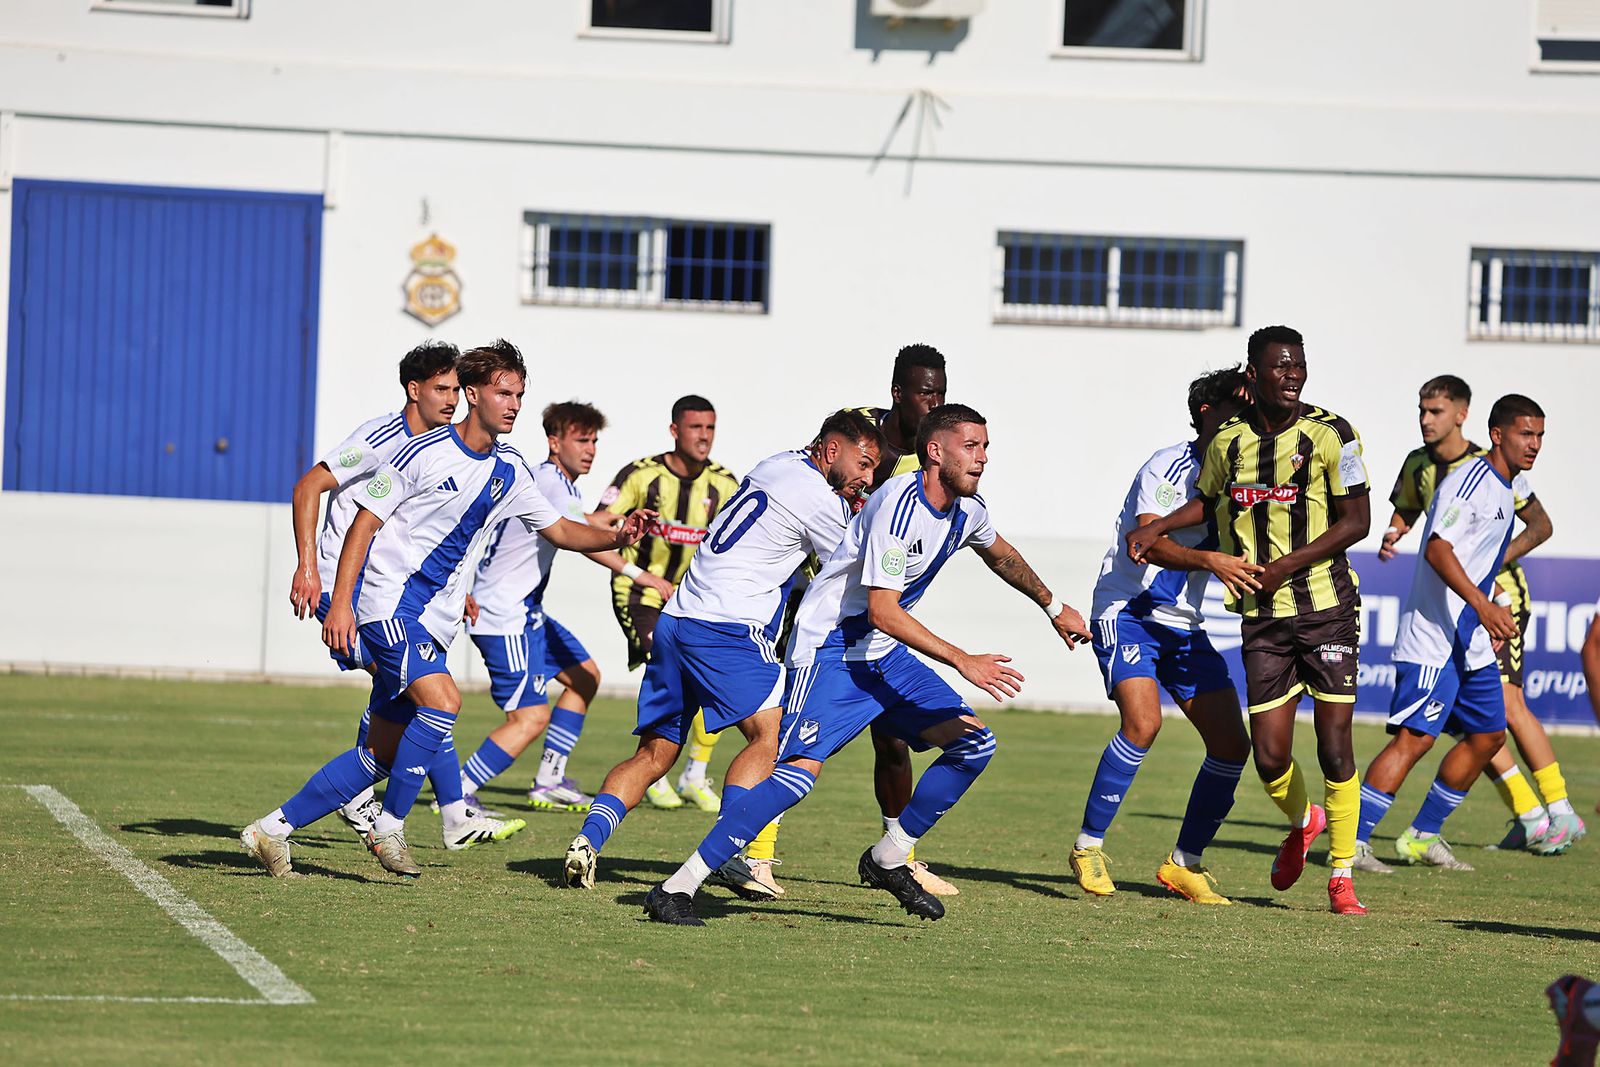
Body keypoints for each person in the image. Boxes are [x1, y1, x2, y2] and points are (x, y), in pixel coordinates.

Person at [641, 404, 1091, 926]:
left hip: (882, 653)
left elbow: (1001, 554)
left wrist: (1054, 606)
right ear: (936, 451)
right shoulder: (898, 506)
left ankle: (889, 857)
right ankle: (678, 887)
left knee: (974, 743)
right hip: (831, 648)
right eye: (972, 447)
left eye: (986, 447)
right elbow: (881, 608)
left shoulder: (968, 510)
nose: (983, 458)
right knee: (796, 777)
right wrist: (962, 660)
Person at [240, 340, 652, 878]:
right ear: (474, 394)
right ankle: (396, 826)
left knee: (381, 754)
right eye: (503, 392)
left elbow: (564, 530)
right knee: (443, 700)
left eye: (520, 395)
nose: (513, 404)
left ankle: (271, 831)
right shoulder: (419, 451)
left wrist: (618, 536)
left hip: (432, 619)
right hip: (385, 605)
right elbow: (363, 525)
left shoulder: (511, 471)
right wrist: (339, 604)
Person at [563, 410, 884, 901]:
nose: (866, 478)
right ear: (832, 449)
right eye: (863, 464)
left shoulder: (778, 463)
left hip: (676, 620)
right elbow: (861, 568)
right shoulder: (819, 499)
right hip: (727, 629)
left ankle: (587, 841)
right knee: (770, 736)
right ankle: (733, 853)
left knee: (654, 753)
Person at [1128, 325, 1372, 915]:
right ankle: (1301, 824)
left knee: (1335, 746)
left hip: (1327, 609)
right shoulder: (1229, 442)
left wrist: (1288, 562)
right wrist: (1159, 525)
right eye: (1281, 367)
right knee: (1268, 756)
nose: (1293, 376)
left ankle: (1341, 876)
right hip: (1261, 618)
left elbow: (1357, 521)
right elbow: (1211, 503)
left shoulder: (1334, 434)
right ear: (1254, 375)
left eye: (1299, 366)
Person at [1074, 366, 1257, 904]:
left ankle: (1185, 864)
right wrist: (1210, 559)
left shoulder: (1240, 473)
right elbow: (1145, 542)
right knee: (1144, 722)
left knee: (1231, 744)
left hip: (1183, 623)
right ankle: (1087, 847)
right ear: (1208, 412)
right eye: (1239, 406)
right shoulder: (1168, 464)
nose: (1248, 417)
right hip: (1128, 609)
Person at [1378, 375, 1577, 855]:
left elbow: (1541, 523)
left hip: (1494, 600)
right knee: (1475, 728)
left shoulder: (1494, 469)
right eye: (1422, 410)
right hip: (1456, 606)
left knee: (1503, 710)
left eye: (1436, 411)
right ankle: (1528, 815)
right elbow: (1412, 514)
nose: (1426, 420)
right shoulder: (1419, 465)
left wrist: (1492, 570)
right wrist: (1396, 530)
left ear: (1463, 416)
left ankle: (1559, 812)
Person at [1352, 395, 1544, 874]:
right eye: (1525, 433)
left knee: (1488, 736)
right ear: (1497, 434)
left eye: (1539, 435)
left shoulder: (1507, 487)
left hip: (1470, 640)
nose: (1534, 444)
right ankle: (1350, 842)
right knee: (1415, 739)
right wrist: (1481, 605)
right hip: (1434, 638)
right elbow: (1438, 551)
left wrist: (1491, 607)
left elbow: (1483, 560)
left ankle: (1421, 836)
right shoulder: (1470, 481)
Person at [285, 340, 467, 840]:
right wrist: (308, 569)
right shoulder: (381, 436)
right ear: (415, 389)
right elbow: (308, 487)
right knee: (422, 690)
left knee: (409, 690)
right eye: (442, 388)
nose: (453, 400)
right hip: (341, 585)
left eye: (456, 389)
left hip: (387, 593)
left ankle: (372, 797)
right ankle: (452, 812)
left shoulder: (441, 451)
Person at [460, 401, 674, 815]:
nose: (590, 448)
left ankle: (549, 781)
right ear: (554, 442)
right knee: (529, 719)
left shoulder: (560, 482)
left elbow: (587, 522)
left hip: (526, 611)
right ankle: (460, 793)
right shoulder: (550, 481)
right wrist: (641, 574)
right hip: (504, 615)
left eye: (594, 440)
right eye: (581, 439)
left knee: (585, 677)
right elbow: (576, 537)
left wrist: (622, 523)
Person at [843, 343, 961, 897]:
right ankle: (755, 853)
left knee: (891, 738)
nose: (934, 400)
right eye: (924, 391)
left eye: (940, 391)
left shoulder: (933, 453)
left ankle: (897, 855)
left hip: (879, 617)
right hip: (823, 606)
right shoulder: (855, 429)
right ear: (897, 393)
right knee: (785, 737)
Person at [599, 395, 740, 812]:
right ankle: (654, 766)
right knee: (668, 669)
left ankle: (693, 773)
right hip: (641, 596)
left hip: (696, 605)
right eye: (695, 428)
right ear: (675, 430)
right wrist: (642, 575)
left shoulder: (725, 484)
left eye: (710, 428)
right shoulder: (642, 476)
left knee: (707, 681)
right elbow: (598, 528)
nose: (704, 437)